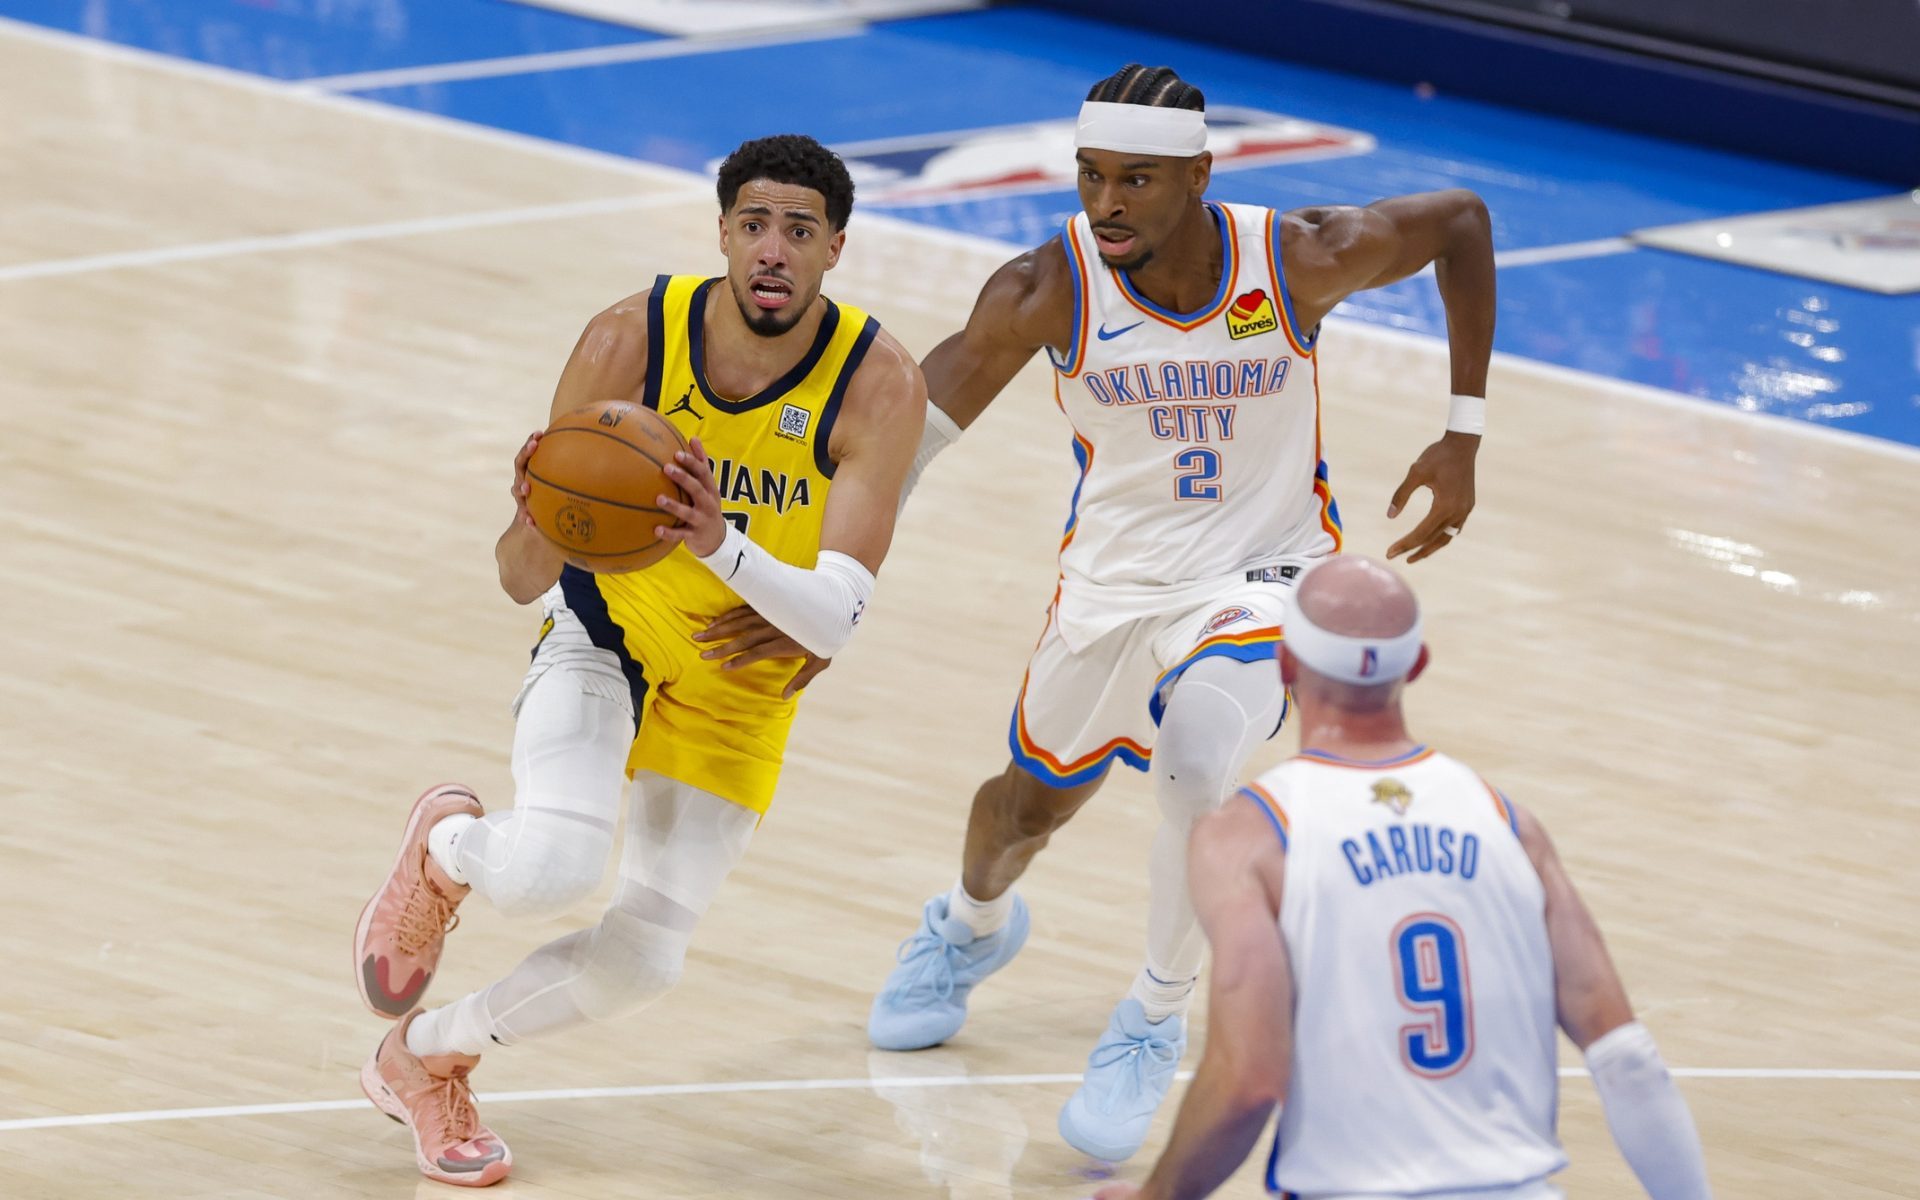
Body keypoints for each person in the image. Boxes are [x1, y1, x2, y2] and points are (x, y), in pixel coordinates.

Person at [864, 63, 1496, 1161]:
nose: (1106, 203)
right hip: (1109, 589)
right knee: (1022, 812)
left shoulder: (1296, 258)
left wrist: (1463, 431)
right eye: (1092, 176)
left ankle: (1153, 1018)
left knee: (1201, 761)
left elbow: (1462, 221)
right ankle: (967, 928)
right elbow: (916, 426)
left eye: (1137, 181)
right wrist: (825, 560)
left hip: (1269, 572)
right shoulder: (1045, 287)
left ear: (1200, 178)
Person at [349, 133, 926, 1188]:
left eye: (799, 231)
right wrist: (548, 504)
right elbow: (517, 576)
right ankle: (450, 850)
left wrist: (718, 541)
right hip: (606, 635)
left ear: (836, 248)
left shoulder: (878, 384)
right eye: (754, 224)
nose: (772, 249)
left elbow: (837, 621)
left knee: (645, 963)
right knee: (551, 869)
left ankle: (427, 1057)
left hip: (738, 691)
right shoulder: (630, 338)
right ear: (721, 233)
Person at [1094, 556, 1714, 1200]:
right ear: (1415, 666)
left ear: (1284, 666)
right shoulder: (1510, 825)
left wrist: (1158, 1196)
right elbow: (1629, 1063)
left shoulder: (1250, 837)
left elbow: (1249, 1077)